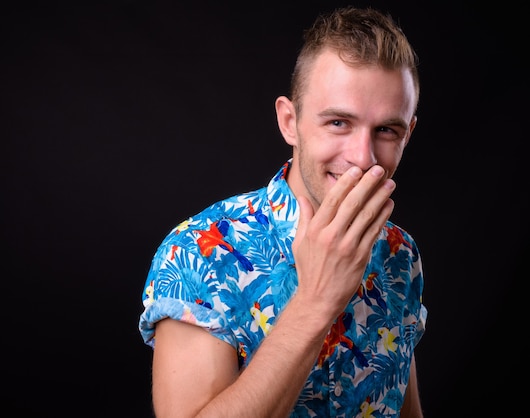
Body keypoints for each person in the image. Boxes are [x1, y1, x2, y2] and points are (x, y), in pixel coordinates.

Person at [138, 5, 427, 417]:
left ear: (407, 133)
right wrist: (316, 299)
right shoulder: (198, 251)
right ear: (289, 121)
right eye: (338, 123)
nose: (363, 159)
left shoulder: (402, 254)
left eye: (386, 130)